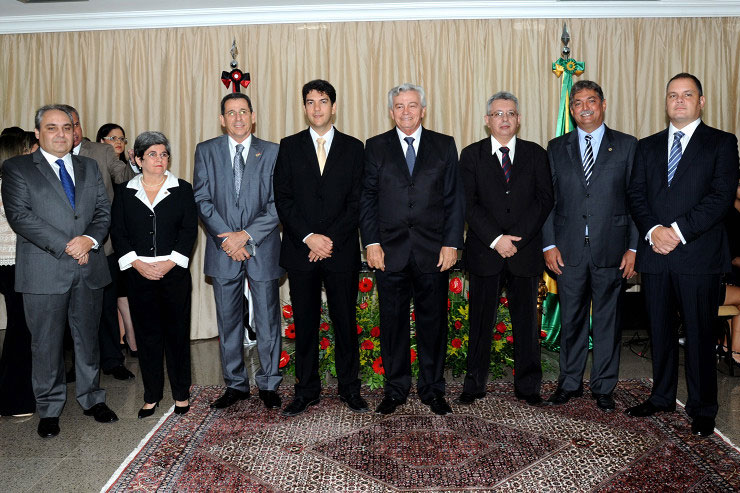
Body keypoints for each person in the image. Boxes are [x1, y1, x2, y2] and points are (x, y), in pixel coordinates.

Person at [626, 73, 739, 437]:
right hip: (655, 255)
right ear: (665, 101)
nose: (679, 101)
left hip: (698, 257)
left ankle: (703, 407)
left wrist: (675, 232)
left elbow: (721, 198)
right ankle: (661, 397)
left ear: (701, 101)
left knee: (699, 333)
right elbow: (636, 196)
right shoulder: (647, 146)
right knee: (659, 331)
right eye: (672, 95)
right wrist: (652, 231)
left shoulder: (721, 143)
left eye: (687, 95)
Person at [1, 104, 118, 438]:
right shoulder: (17, 167)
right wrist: (70, 245)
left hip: (89, 266)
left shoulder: (89, 167)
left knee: (87, 339)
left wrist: (90, 240)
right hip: (44, 269)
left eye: (66, 127)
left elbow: (102, 211)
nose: (61, 134)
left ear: (74, 131)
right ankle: (49, 409)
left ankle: (92, 398)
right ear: (38, 133)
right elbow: (20, 216)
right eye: (52, 128)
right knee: (46, 343)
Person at [359, 83, 465, 416]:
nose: (406, 111)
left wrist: (451, 243)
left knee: (433, 322)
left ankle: (433, 389)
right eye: (400, 106)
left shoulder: (444, 146)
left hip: (433, 251)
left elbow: (454, 200)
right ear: (391, 112)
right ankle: (396, 389)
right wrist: (371, 243)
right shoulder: (375, 147)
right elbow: (367, 200)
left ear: (423, 110)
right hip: (388, 252)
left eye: (413, 105)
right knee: (392, 322)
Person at [542, 80, 638, 412]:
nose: (585, 107)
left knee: (608, 321)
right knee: (571, 319)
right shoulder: (556, 147)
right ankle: (569, 383)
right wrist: (548, 244)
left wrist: (634, 248)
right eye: (578, 102)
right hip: (567, 250)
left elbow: (636, 201)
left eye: (591, 101)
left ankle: (603, 387)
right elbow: (547, 202)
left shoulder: (627, 146)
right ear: (571, 109)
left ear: (603, 103)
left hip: (612, 248)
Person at [274, 80, 367, 416]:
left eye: (323, 101)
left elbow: (358, 201)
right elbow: (283, 199)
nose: (316, 108)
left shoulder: (355, 148)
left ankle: (350, 389)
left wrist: (328, 240)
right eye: (310, 102)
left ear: (334, 106)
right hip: (302, 251)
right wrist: (309, 237)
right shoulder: (289, 146)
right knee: (306, 323)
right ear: (304, 107)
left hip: (340, 251)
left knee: (345, 321)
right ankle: (306, 390)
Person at [458, 92, 553, 407]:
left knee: (526, 324)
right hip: (485, 254)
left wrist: (517, 238)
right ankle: (473, 385)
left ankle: (528, 387)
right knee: (480, 323)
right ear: (487, 120)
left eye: (510, 113)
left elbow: (544, 200)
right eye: (497, 114)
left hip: (524, 255)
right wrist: (496, 239)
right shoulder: (470, 156)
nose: (504, 119)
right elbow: (468, 204)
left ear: (519, 119)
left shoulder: (536, 154)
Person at [193, 93, 284, 410]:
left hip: (263, 248)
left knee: (267, 320)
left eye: (243, 111)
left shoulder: (273, 152)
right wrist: (227, 239)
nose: (238, 118)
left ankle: (269, 383)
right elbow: (202, 200)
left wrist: (245, 236)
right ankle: (235, 384)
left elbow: (277, 203)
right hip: (223, 251)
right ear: (222, 119)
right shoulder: (206, 151)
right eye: (231, 113)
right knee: (228, 321)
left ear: (253, 115)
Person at [111, 131, 197, 418]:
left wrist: (170, 263)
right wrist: (137, 264)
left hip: (173, 273)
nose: (159, 159)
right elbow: (119, 233)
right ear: (137, 159)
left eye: (164, 154)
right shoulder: (124, 192)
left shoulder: (182, 189)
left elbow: (188, 231)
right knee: (147, 337)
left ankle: (182, 394)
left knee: (177, 335)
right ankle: (151, 396)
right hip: (139, 274)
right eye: (152, 154)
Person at [60, 105, 135, 382]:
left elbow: (125, 180)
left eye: (76, 125)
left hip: (102, 246)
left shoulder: (102, 152)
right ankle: (76, 365)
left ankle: (113, 361)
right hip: (63, 249)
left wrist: (134, 164)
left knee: (105, 306)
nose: (73, 131)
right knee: (71, 311)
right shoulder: (47, 158)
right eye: (68, 126)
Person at [0, 133, 36, 417]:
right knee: (20, 331)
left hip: (10, 265)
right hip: (13, 264)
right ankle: (15, 400)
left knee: (19, 329)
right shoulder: (11, 185)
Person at [97, 123, 137, 357]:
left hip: (126, 239)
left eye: (122, 138)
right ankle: (120, 341)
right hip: (105, 241)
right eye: (112, 138)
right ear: (101, 142)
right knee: (112, 294)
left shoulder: (126, 170)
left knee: (124, 292)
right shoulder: (96, 168)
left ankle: (129, 339)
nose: (118, 142)